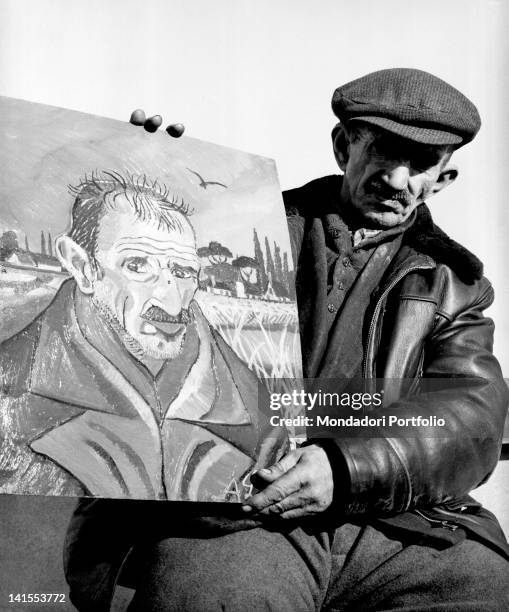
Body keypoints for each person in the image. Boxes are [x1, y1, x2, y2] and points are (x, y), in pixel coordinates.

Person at [66, 69, 509, 610]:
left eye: (419, 164)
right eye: (383, 151)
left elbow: (472, 415)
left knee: (486, 590)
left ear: (443, 178)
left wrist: (345, 470)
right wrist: (146, 182)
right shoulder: (224, 226)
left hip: (397, 524)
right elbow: (122, 309)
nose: (397, 178)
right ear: (344, 146)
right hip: (236, 514)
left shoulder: (456, 282)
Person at [0, 171, 286, 501]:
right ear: (83, 267)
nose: (172, 300)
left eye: (182, 272)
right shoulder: (14, 390)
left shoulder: (240, 387)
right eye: (138, 265)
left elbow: (274, 464)